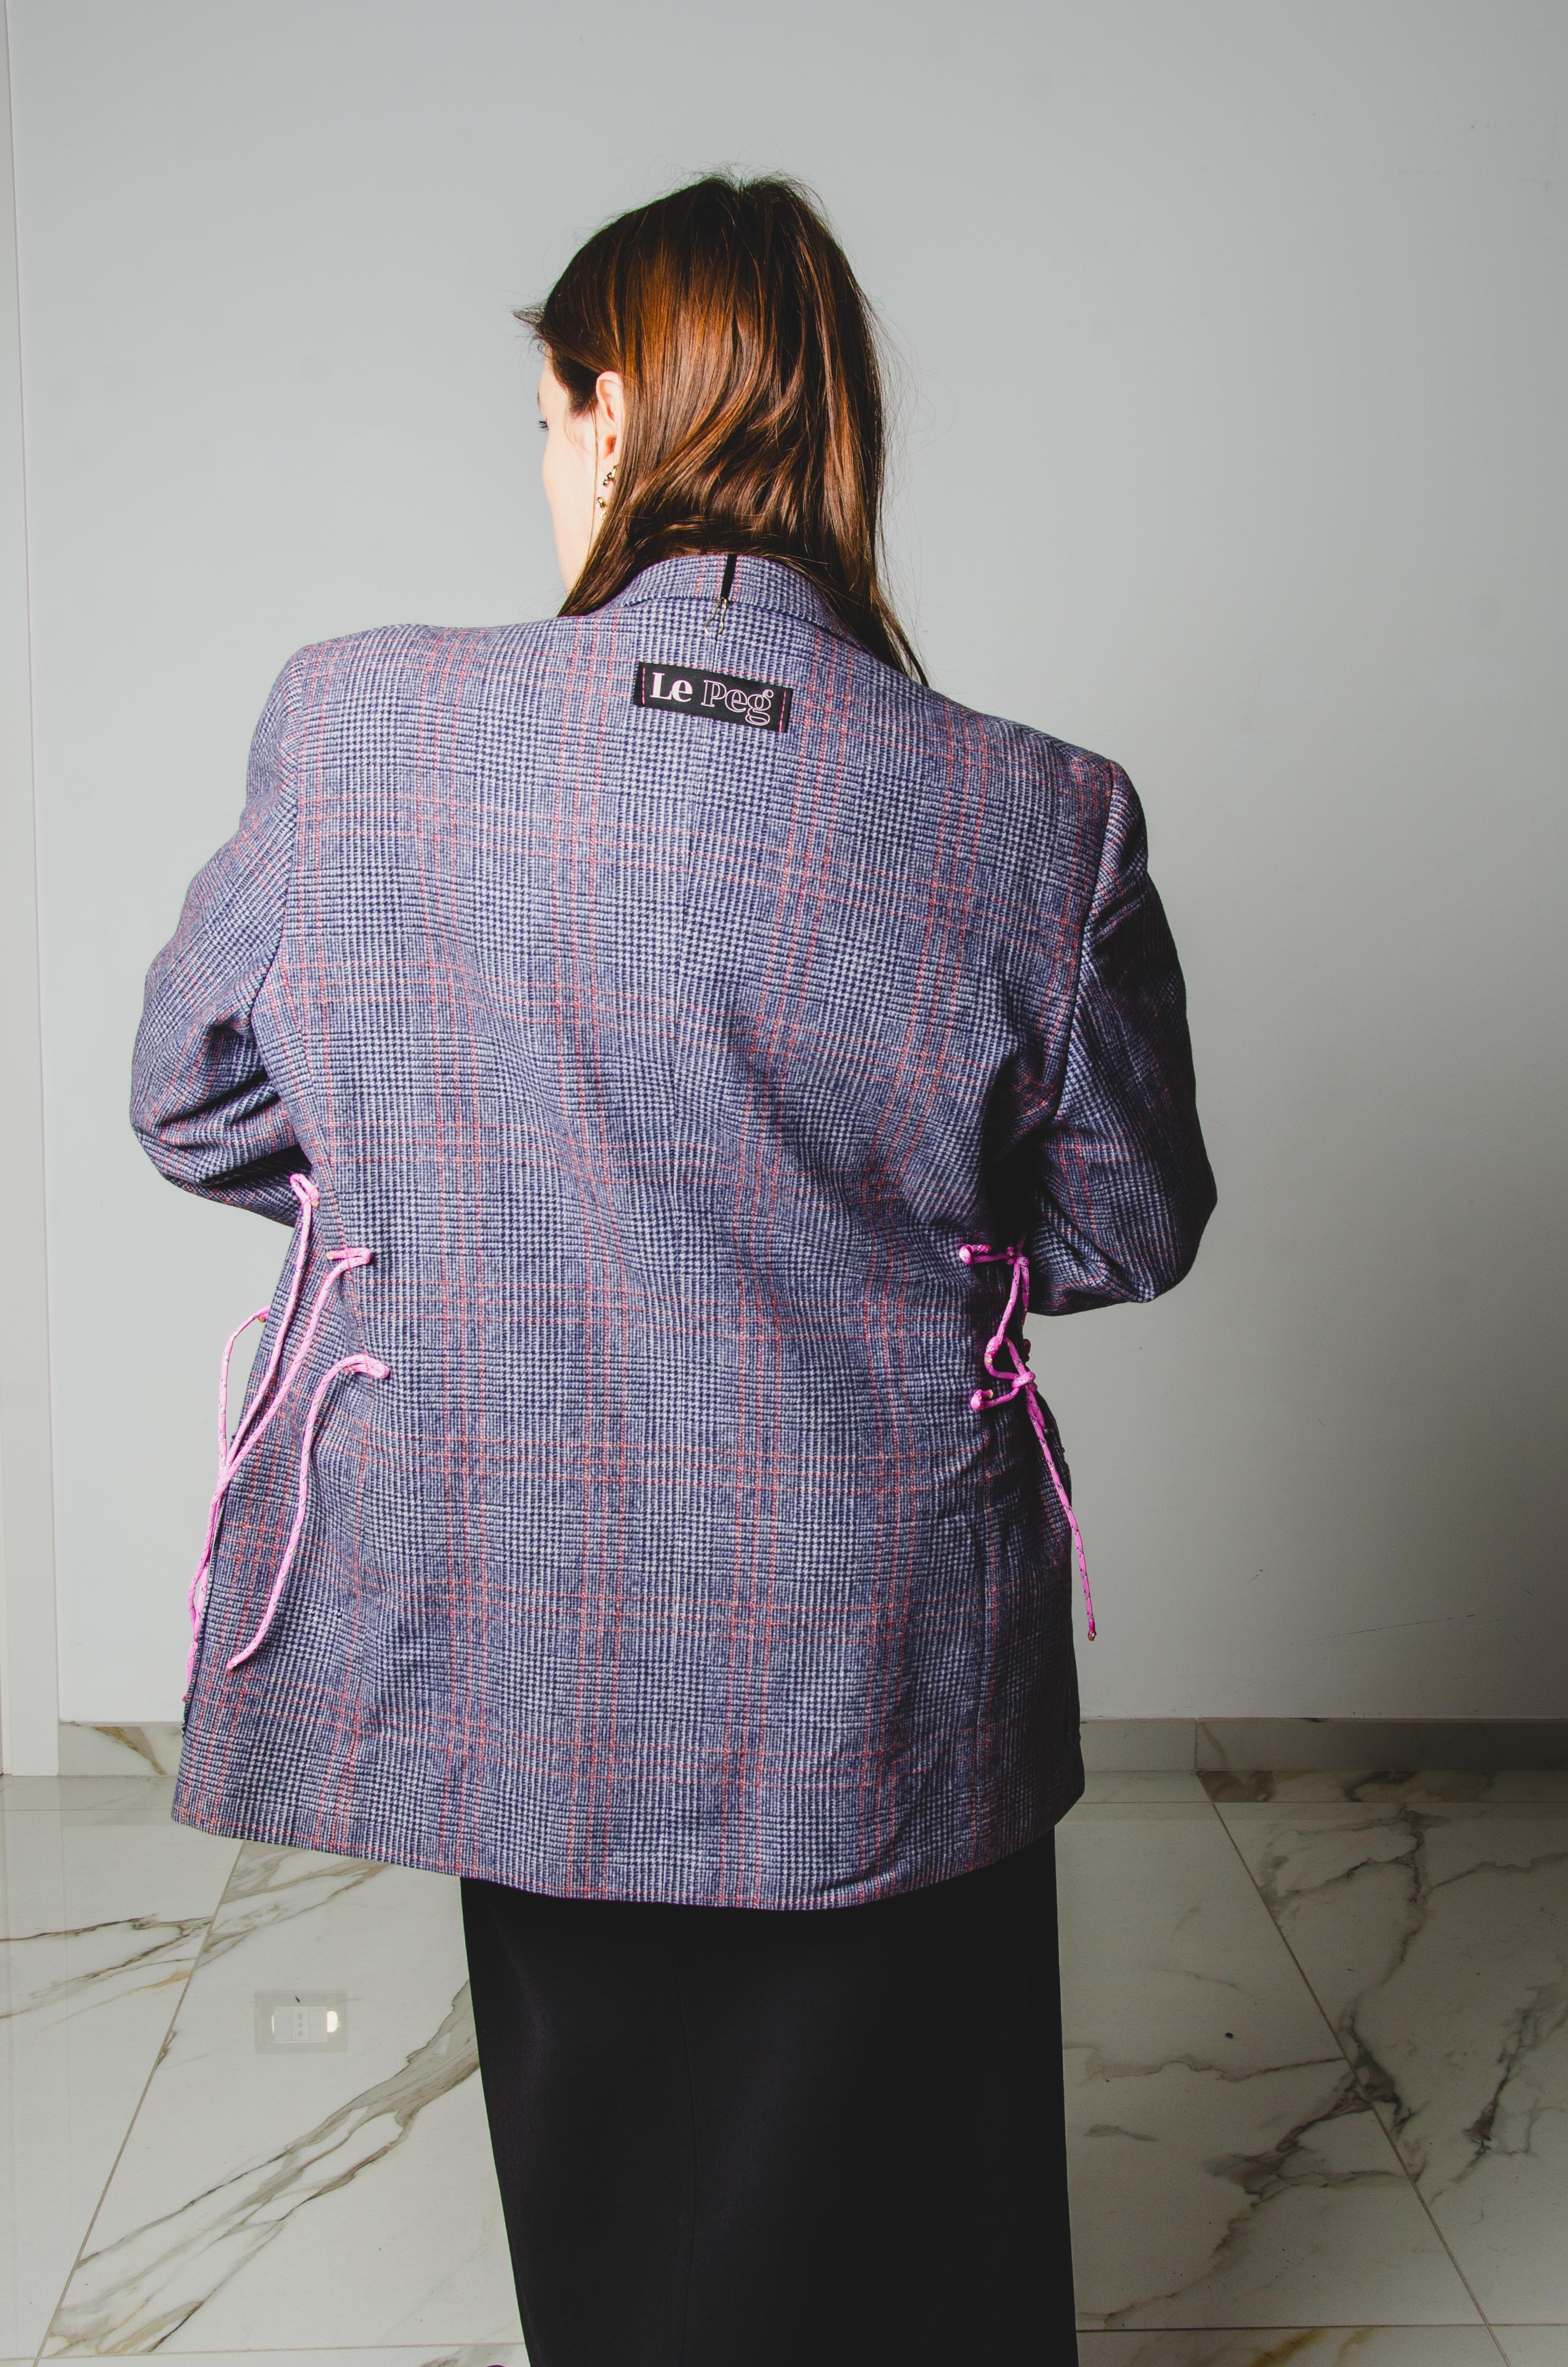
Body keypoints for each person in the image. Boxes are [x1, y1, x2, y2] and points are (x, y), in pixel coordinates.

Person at [131, 173, 1215, 2366]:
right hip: (882, 1644)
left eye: (546, 419)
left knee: (620, 2205)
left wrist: (483, 1210)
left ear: (609, 410)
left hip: (519, 1599)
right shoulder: (1039, 812)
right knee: (931, 2225)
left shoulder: (356, 727)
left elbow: (198, 1100)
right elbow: (1129, 1217)